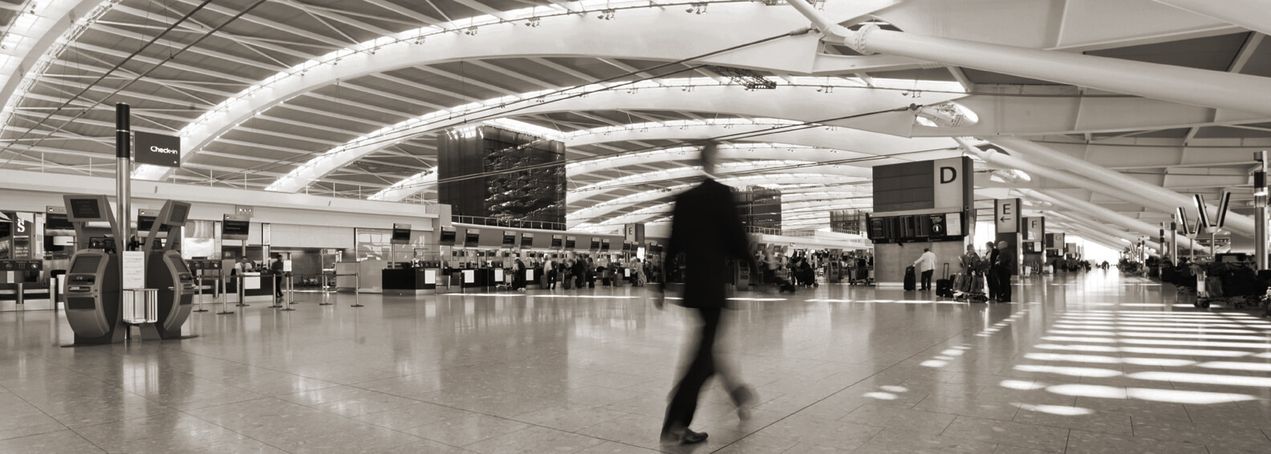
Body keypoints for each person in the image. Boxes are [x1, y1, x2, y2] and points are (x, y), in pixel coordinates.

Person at [655, 143, 755, 445]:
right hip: (713, 287)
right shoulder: (722, 195)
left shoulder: (685, 200)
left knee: (707, 351)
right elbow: (738, 240)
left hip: (694, 288)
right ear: (714, 160)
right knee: (702, 358)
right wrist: (759, 271)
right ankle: (675, 423)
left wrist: (661, 283)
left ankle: (737, 394)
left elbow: (673, 244)